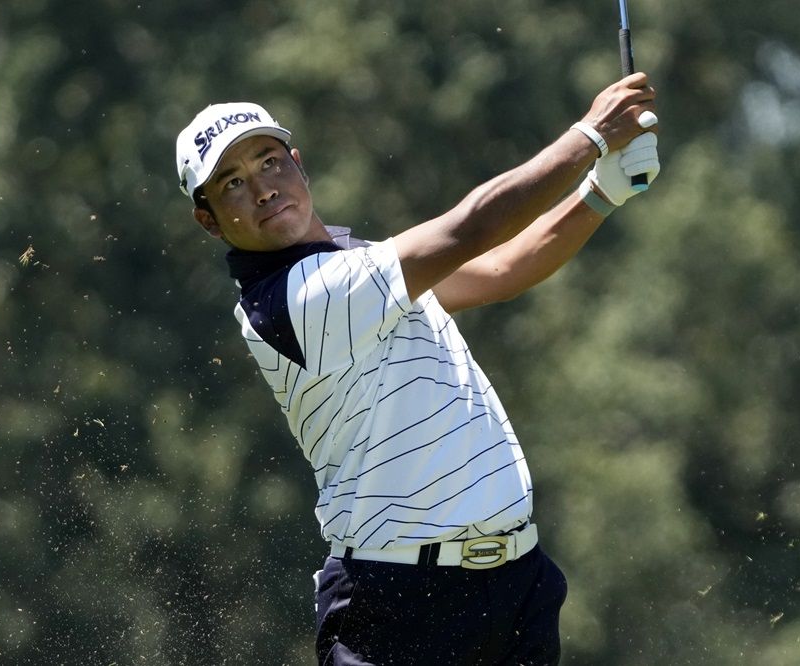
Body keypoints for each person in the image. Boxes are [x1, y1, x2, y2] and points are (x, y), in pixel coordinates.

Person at [175, 72, 659, 665]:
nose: (263, 189)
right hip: (401, 606)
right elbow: (472, 229)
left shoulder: (360, 266)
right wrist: (591, 136)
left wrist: (602, 192)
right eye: (232, 183)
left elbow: (502, 269)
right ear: (209, 219)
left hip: (514, 587)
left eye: (270, 162)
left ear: (298, 165)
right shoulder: (292, 302)